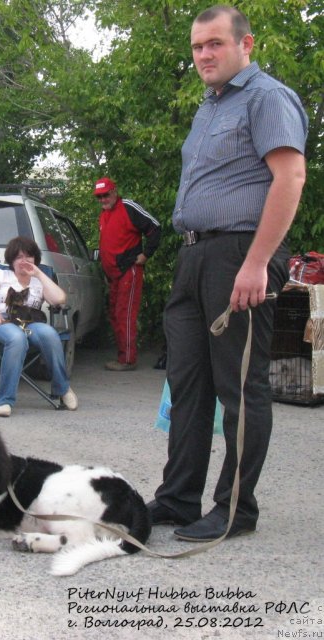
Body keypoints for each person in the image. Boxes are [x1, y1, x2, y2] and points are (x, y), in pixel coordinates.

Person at [147, 5, 308, 541]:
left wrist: (258, 262)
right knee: (187, 383)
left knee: (239, 386)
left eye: (215, 43)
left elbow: (290, 176)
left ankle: (236, 508)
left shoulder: (266, 97)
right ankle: (177, 499)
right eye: (197, 47)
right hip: (195, 255)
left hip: (240, 253)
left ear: (246, 45)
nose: (204, 55)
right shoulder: (208, 108)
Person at [0, 236, 78, 417]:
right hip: (1, 321)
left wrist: (40, 274)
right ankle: (4, 401)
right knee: (16, 338)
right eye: (19, 257)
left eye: (29, 256)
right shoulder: (1, 276)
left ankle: (62, 388)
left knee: (50, 334)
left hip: (30, 322)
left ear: (35, 260)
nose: (24, 261)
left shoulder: (39, 281)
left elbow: (59, 299)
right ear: (11, 260)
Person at [94, 177, 160, 371]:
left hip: (129, 270)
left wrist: (146, 254)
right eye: (99, 196)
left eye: (106, 194)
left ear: (114, 191)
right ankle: (123, 355)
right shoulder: (104, 214)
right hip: (113, 274)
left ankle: (128, 360)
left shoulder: (128, 207)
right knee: (115, 314)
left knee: (125, 314)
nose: (103, 199)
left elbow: (155, 227)